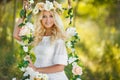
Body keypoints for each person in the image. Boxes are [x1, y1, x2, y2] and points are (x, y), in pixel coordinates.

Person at [13, 1, 68, 80]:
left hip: (53, 77)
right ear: (40, 19)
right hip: (38, 76)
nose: (48, 20)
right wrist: (24, 11)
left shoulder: (58, 39)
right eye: (44, 16)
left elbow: (60, 67)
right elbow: (16, 35)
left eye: (51, 16)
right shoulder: (38, 37)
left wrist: (36, 69)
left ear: (55, 18)